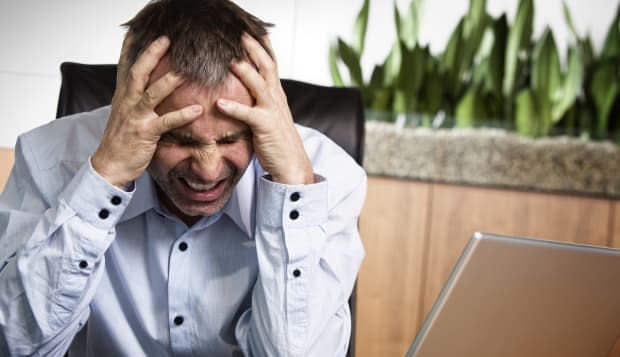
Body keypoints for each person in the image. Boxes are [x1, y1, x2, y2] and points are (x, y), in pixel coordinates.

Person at [0, 0, 366, 356]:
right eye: (177, 137)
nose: (207, 170)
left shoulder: (329, 178)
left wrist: (293, 187)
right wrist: (104, 177)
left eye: (231, 138)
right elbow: (19, 347)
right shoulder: (48, 160)